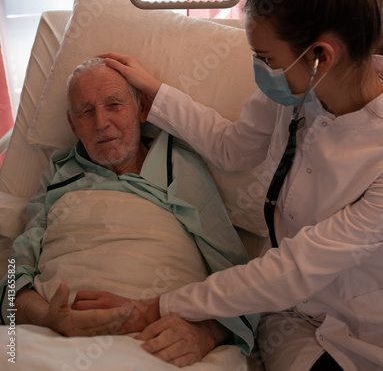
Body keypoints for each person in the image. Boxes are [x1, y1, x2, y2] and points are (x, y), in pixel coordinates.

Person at [80, 0, 383, 371]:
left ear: (321, 55)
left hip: (366, 327)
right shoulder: (297, 89)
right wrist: (154, 92)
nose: (260, 70)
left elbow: (297, 267)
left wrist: (160, 305)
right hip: (293, 318)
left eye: (265, 57)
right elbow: (232, 146)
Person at [0, 57, 258, 367]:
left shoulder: (178, 168)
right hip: (47, 340)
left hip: (155, 340)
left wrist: (204, 333)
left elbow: (241, 282)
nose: (101, 123)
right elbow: (14, 281)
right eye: (85, 112)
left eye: (114, 105)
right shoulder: (58, 175)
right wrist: (48, 318)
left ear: (141, 109)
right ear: (72, 124)